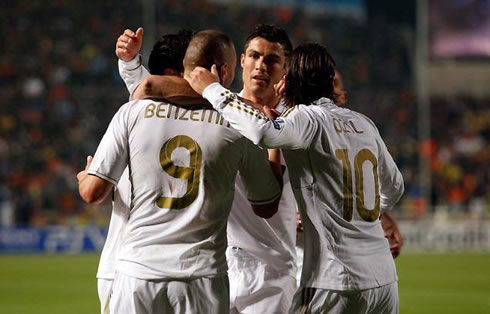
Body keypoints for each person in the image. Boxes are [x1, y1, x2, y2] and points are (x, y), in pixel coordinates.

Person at [186, 42, 405, 313]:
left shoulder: (309, 118)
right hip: (384, 281)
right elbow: (394, 187)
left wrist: (212, 89)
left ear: (293, 81)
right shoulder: (364, 123)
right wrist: (362, 213)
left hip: (334, 279)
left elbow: (263, 133)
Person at [78, 29, 282, 314]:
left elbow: (92, 191)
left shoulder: (135, 111)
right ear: (221, 71)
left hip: (137, 273)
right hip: (201, 279)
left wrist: (84, 176)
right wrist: (273, 140)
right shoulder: (239, 126)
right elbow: (266, 203)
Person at [94, 27, 195, 314]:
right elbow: (147, 89)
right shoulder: (140, 110)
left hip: (145, 267)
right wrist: (129, 63)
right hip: (130, 266)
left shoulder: (199, 116)